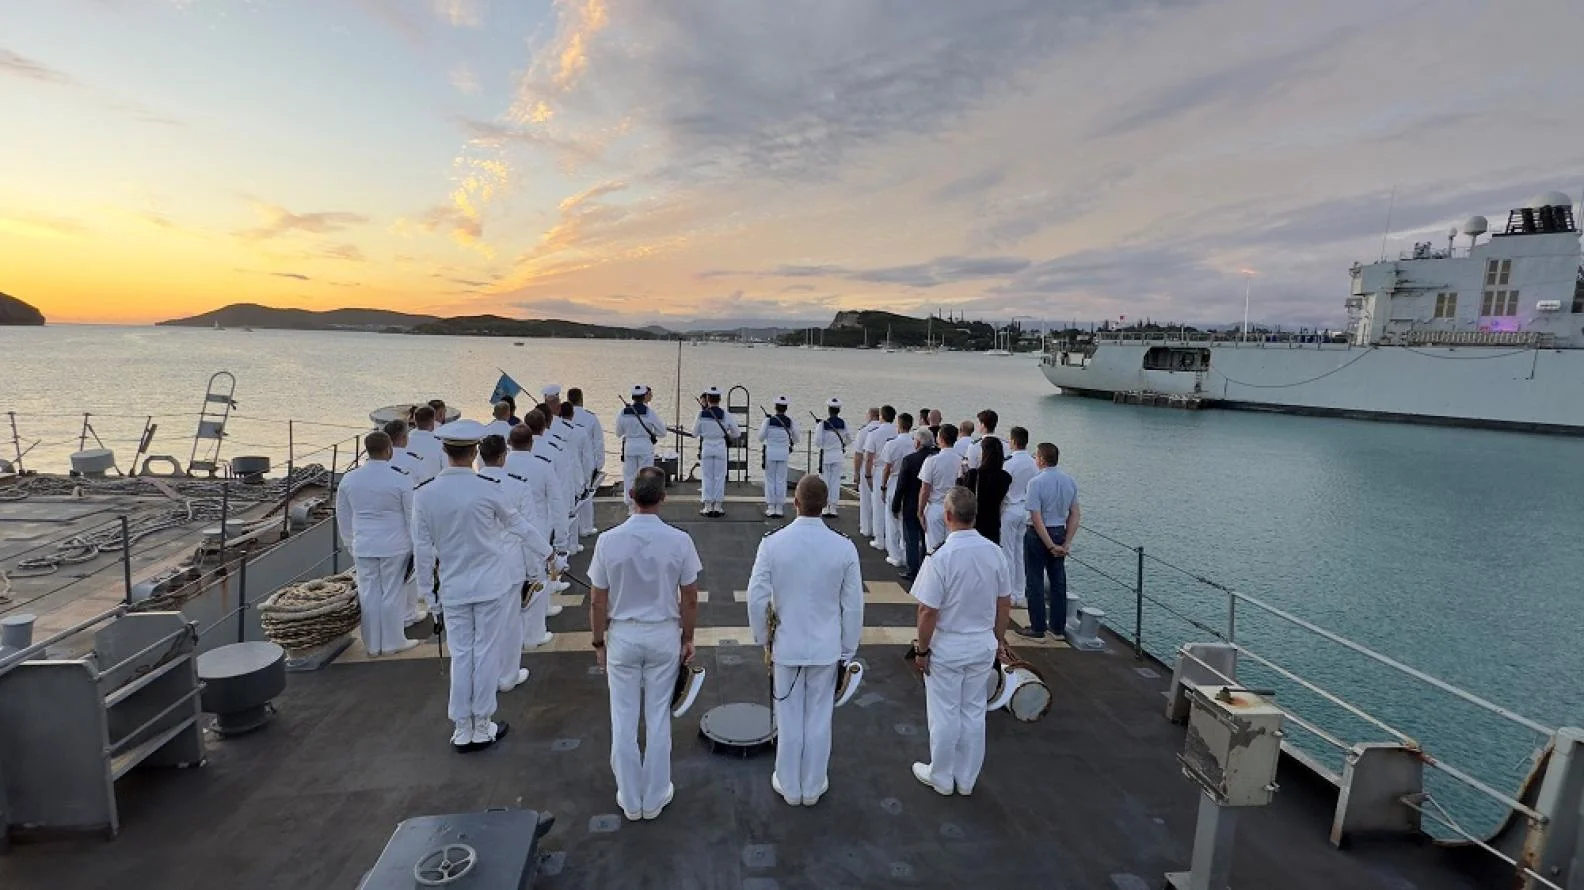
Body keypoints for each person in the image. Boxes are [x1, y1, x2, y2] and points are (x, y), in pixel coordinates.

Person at [411, 419, 543, 752]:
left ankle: (461, 727)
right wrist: (550, 554)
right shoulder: (488, 489)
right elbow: (521, 527)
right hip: (491, 586)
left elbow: (422, 551)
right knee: (485, 652)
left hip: (453, 588)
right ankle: (482, 724)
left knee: (461, 654)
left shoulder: (425, 495)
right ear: (474, 453)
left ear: (445, 450)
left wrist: (429, 595)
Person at [588, 467, 702, 821]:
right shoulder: (680, 540)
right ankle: (654, 796)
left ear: (630, 496)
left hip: (623, 634)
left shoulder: (607, 541)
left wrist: (598, 642)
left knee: (622, 719)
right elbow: (690, 598)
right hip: (663, 634)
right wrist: (687, 638)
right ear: (663, 498)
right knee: (657, 718)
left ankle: (630, 795)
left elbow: (597, 601)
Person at [748, 475, 863, 807]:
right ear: (826, 504)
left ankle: (789, 783)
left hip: (786, 645)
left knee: (788, 715)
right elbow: (853, 605)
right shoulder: (844, 547)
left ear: (794, 502)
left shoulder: (772, 543)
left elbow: (756, 598)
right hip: (826, 649)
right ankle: (812, 785)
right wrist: (847, 649)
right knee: (818, 717)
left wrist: (762, 639)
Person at [908, 486, 1012, 796]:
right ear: (975, 516)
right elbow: (1004, 603)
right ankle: (966, 779)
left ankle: (941, 775)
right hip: (982, 643)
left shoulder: (940, 556)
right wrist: (998, 640)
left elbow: (927, 611)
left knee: (944, 712)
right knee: (974, 711)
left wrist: (922, 650)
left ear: (948, 515)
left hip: (949, 645)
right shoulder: (995, 552)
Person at [477, 434, 554, 691]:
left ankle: (486, 675)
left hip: (478, 565)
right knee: (510, 623)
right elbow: (528, 529)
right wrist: (537, 568)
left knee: (484, 627)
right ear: (502, 456)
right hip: (510, 564)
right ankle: (507, 676)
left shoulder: (471, 485)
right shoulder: (517, 486)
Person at [335, 431, 420, 657]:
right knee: (392, 592)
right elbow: (411, 515)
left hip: (363, 544)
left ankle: (372, 644)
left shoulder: (350, 478)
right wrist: (417, 545)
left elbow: (342, 514)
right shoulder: (401, 477)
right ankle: (393, 641)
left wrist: (349, 542)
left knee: (368, 592)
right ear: (389, 450)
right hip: (395, 545)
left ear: (367, 450)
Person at [505, 422, 564, 646]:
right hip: (537, 527)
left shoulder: (498, 465)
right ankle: (534, 634)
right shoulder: (543, 466)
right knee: (537, 582)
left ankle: (516, 634)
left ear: (509, 444)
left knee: (511, 586)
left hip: (505, 533)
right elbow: (557, 502)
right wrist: (561, 540)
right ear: (531, 444)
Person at [1020, 442, 1081, 639]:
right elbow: (1075, 513)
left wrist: (1049, 544)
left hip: (1039, 535)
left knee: (1035, 580)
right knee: (1058, 581)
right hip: (1059, 531)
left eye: (1036, 456)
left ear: (1042, 460)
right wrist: (1066, 543)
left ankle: (1038, 627)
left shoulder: (1035, 482)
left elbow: (1036, 518)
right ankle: (1058, 627)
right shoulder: (1069, 481)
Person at [1001, 427, 1039, 607]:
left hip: (1010, 508)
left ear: (1013, 442)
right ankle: (1019, 592)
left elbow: (1003, 489)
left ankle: (1008, 593)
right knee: (1019, 553)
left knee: (1007, 551)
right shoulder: (1033, 463)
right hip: (1026, 510)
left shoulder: (1008, 463)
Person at [893, 428, 937, 579]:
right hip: (931, 505)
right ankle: (926, 568)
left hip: (911, 504)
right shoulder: (936, 458)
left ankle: (913, 570)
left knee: (911, 540)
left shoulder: (909, 460)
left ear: (917, 442)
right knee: (928, 540)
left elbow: (901, 486)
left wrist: (895, 505)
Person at [693, 386, 738, 517]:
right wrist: (725, 434)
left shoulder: (701, 415)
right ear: (719, 399)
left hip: (707, 447)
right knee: (719, 477)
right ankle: (718, 506)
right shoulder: (726, 415)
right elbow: (736, 433)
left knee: (707, 477)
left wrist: (705, 432)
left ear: (707, 399)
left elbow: (694, 433)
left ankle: (707, 507)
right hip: (720, 447)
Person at [617, 384, 664, 510]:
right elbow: (662, 432)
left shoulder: (623, 412)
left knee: (629, 476)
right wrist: (651, 433)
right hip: (645, 446)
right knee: (645, 477)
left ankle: (631, 506)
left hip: (630, 446)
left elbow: (618, 432)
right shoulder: (649, 413)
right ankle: (644, 505)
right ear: (644, 397)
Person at [877, 412, 915, 568]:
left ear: (899, 426)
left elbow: (886, 468)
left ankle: (895, 555)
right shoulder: (914, 443)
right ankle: (906, 554)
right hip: (910, 483)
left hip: (894, 480)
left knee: (891, 519)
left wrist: (883, 486)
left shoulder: (892, 444)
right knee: (904, 521)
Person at [568, 388, 605, 538]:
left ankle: (573, 530)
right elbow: (598, 442)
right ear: (581, 399)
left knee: (570, 495)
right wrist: (599, 463)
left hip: (568, 460)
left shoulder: (563, 417)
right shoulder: (591, 418)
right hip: (586, 460)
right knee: (587, 495)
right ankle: (586, 527)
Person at [918, 424, 960, 551]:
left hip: (935, 507)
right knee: (951, 548)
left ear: (940, 439)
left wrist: (920, 511)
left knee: (933, 548)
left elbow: (925, 489)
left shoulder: (932, 461)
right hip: (953, 507)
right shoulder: (961, 460)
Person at [962, 437, 1011, 544]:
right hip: (993, 524)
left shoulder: (973, 474)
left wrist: (961, 477)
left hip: (975, 524)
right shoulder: (1005, 477)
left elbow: (964, 497)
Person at [864, 406, 899, 553]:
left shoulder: (874, 433)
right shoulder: (898, 431)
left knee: (878, 505)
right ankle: (894, 542)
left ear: (881, 417)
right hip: (896, 472)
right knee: (893, 509)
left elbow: (868, 458)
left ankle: (880, 540)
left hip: (879, 470)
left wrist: (867, 476)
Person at [757, 396, 797, 518]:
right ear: (786, 408)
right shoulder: (790, 422)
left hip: (771, 453)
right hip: (783, 454)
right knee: (781, 480)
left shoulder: (768, 421)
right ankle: (779, 508)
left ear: (775, 407)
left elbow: (760, 437)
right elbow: (796, 438)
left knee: (770, 481)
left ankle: (771, 507)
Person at [814, 398, 852, 518]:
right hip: (838, 455)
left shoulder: (823, 424)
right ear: (838, 410)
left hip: (827, 455)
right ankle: (833, 507)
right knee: (835, 481)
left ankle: (825, 508)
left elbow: (818, 442)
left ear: (829, 410)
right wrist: (842, 445)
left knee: (825, 481)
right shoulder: (843, 424)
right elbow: (849, 439)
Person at [852, 407, 882, 537]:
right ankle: (880, 529)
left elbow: (858, 454)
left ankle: (866, 528)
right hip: (883, 467)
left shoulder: (864, 431)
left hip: (867, 465)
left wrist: (856, 472)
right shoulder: (888, 430)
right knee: (880, 501)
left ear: (870, 416)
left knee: (865, 499)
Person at [407, 405, 443, 484]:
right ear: (433, 420)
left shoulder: (405, 442)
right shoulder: (441, 444)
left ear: (415, 421)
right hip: (434, 489)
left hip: (410, 490)